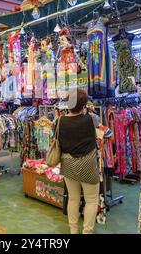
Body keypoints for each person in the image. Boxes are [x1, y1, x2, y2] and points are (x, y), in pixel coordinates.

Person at [57, 89, 99, 234]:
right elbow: (98, 124)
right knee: (91, 200)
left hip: (68, 162)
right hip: (87, 162)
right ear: (83, 104)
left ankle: (73, 230)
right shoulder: (90, 118)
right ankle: (87, 231)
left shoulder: (60, 120)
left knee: (73, 199)